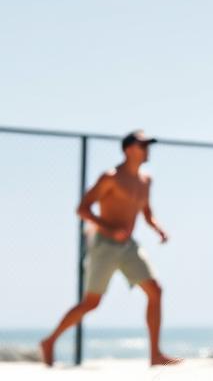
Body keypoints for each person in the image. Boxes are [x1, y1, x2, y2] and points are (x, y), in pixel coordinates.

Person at [40, 130, 179, 367]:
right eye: (142, 145)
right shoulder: (110, 177)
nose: (147, 150)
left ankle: (155, 355)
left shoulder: (146, 180)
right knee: (91, 303)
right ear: (128, 149)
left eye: (148, 145)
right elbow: (82, 209)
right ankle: (50, 341)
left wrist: (158, 228)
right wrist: (109, 228)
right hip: (105, 245)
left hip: (129, 246)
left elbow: (147, 212)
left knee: (155, 291)